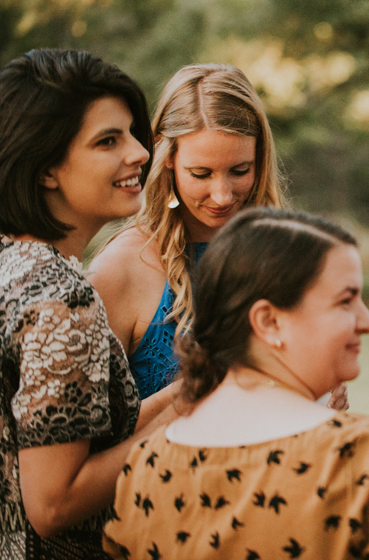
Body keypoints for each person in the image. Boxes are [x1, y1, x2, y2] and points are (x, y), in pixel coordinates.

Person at [103, 208, 369, 560]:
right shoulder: (364, 458)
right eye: (345, 300)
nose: (365, 320)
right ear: (268, 321)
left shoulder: (146, 467)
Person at [0, 49, 177, 557]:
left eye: (131, 133)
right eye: (108, 141)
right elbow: (54, 503)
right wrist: (179, 427)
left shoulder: (15, 264)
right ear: (46, 167)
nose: (141, 152)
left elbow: (64, 435)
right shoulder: (62, 299)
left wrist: (185, 396)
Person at [89, 64, 286, 400]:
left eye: (240, 170)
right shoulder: (120, 269)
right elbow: (87, 440)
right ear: (166, 157)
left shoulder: (283, 251)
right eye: (201, 173)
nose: (222, 195)